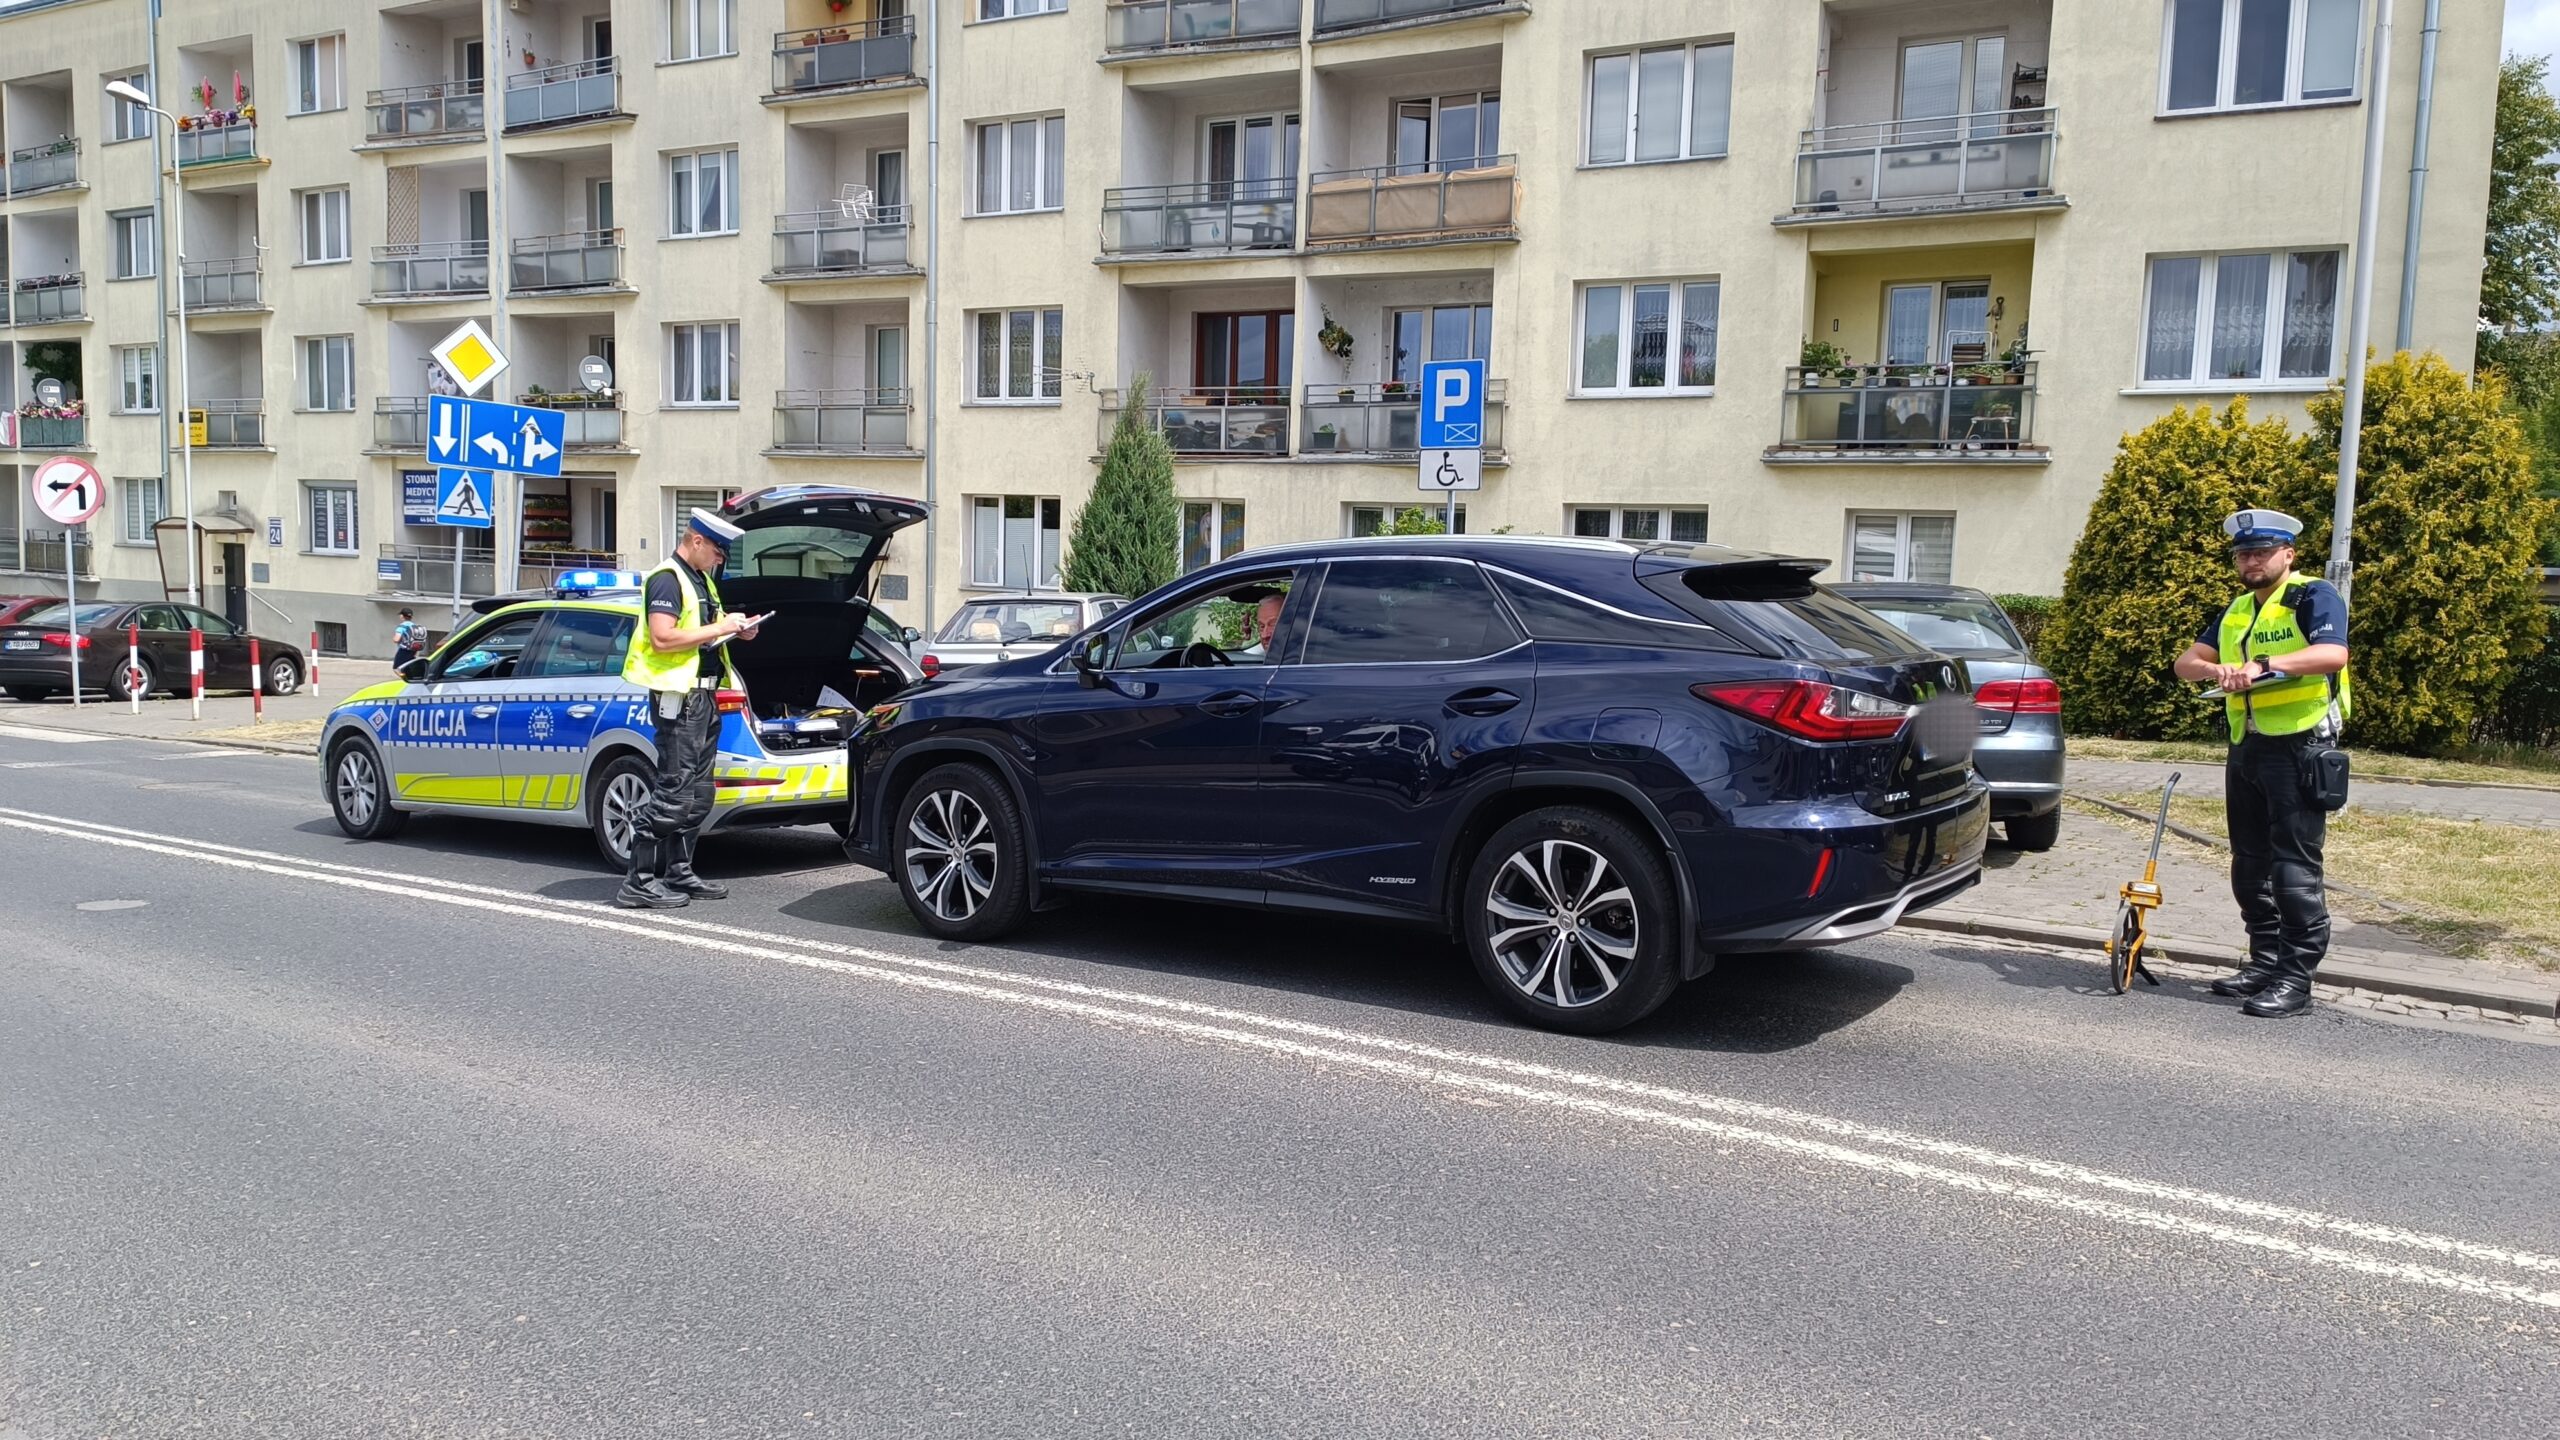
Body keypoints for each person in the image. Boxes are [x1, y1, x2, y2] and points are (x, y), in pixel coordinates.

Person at [2169, 509, 2351, 1018]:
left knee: (2294, 869)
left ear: (2287, 555)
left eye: (2262, 553)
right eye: (2244, 554)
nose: (2251, 561)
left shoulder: (2312, 595)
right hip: (2247, 745)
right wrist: (2218, 670)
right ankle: (2265, 962)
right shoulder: (2236, 609)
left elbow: (2332, 654)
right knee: (2250, 865)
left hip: (2299, 746)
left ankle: (2296, 980)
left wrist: (2264, 665)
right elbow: (2185, 664)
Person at [616, 507, 761, 910]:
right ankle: (638, 880)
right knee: (674, 793)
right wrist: (720, 627)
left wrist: (739, 630)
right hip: (679, 700)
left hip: (704, 697)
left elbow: (703, 634)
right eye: (717, 551)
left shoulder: (700, 579)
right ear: (697, 541)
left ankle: (679, 871)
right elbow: (662, 638)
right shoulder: (667, 578)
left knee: (699, 794)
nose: (720, 559)